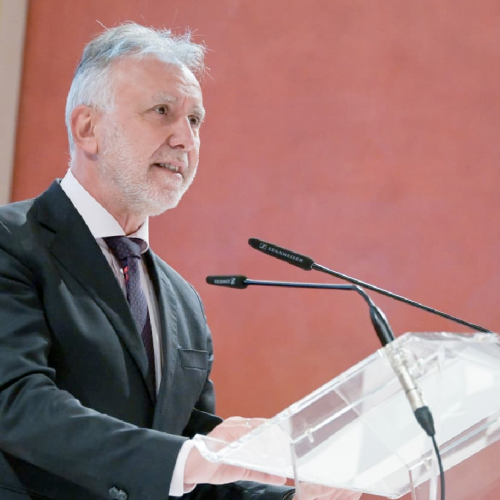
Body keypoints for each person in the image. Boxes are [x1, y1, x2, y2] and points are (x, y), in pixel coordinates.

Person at [0, 23, 361, 500]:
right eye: (162, 112)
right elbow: (16, 404)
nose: (185, 140)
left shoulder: (182, 301)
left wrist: (294, 498)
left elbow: (188, 471)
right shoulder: (12, 243)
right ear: (88, 129)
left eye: (195, 120)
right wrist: (192, 459)